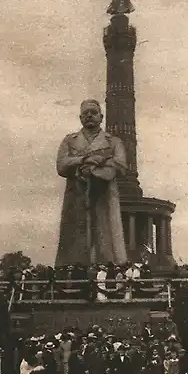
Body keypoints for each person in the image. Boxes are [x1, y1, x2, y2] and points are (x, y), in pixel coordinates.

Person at [55, 99, 128, 266]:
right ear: (80, 118)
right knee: (74, 239)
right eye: (85, 113)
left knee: (106, 238)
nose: (89, 116)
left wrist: (94, 169)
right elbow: (61, 165)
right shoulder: (69, 141)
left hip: (104, 193)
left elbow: (121, 166)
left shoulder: (114, 142)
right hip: (76, 194)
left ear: (101, 117)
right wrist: (85, 160)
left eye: (93, 113)